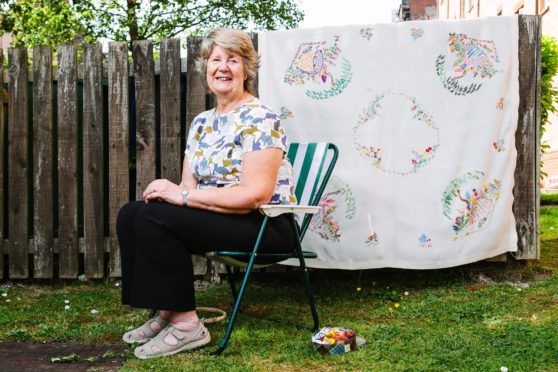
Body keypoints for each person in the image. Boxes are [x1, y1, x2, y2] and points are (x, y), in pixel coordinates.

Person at [116, 28, 297, 359]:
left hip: (265, 226)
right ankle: (168, 310)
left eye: (233, 59)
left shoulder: (261, 118)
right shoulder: (201, 123)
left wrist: (181, 199)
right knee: (133, 212)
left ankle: (187, 325)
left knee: (156, 217)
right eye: (216, 59)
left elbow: (254, 195)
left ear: (247, 69)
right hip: (221, 218)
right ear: (205, 68)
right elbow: (189, 189)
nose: (223, 67)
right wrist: (172, 193)